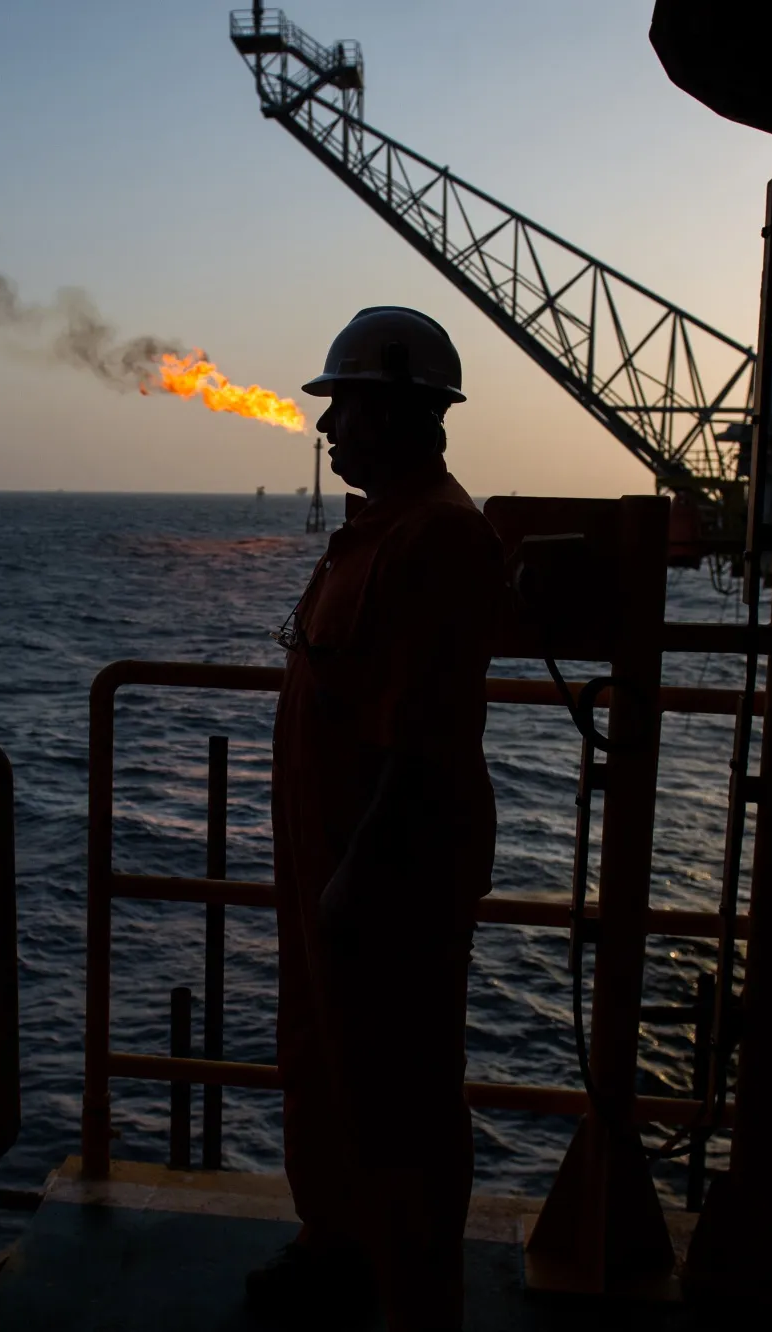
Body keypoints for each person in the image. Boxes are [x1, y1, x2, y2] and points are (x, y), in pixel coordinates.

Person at [250, 307, 503, 1331]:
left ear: (397, 411)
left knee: (400, 1095)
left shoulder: (438, 539)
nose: (326, 428)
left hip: (386, 875)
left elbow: (425, 736)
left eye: (343, 406)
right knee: (323, 1065)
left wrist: (360, 873)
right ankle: (336, 1246)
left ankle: (411, 1298)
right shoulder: (374, 532)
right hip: (333, 864)